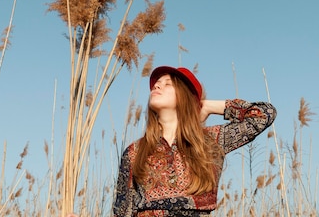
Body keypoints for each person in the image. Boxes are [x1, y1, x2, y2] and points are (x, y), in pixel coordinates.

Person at [112, 66, 277, 216]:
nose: (157, 86)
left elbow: (264, 114)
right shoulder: (135, 151)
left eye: (167, 84)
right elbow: (122, 211)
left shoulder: (211, 141)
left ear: (186, 97)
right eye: (157, 84)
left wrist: (209, 106)